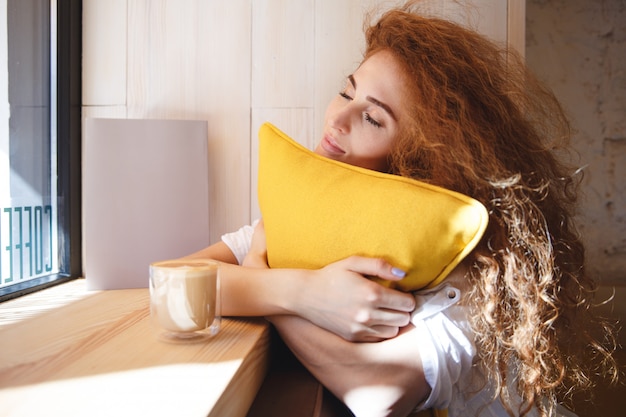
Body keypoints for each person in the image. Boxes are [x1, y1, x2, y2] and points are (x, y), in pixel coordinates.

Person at [182, 2, 618, 416]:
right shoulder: (302, 217)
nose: (337, 120)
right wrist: (297, 291)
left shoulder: (476, 261)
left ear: (425, 157)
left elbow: (379, 397)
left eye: (373, 119)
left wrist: (263, 275)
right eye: (345, 92)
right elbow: (170, 281)